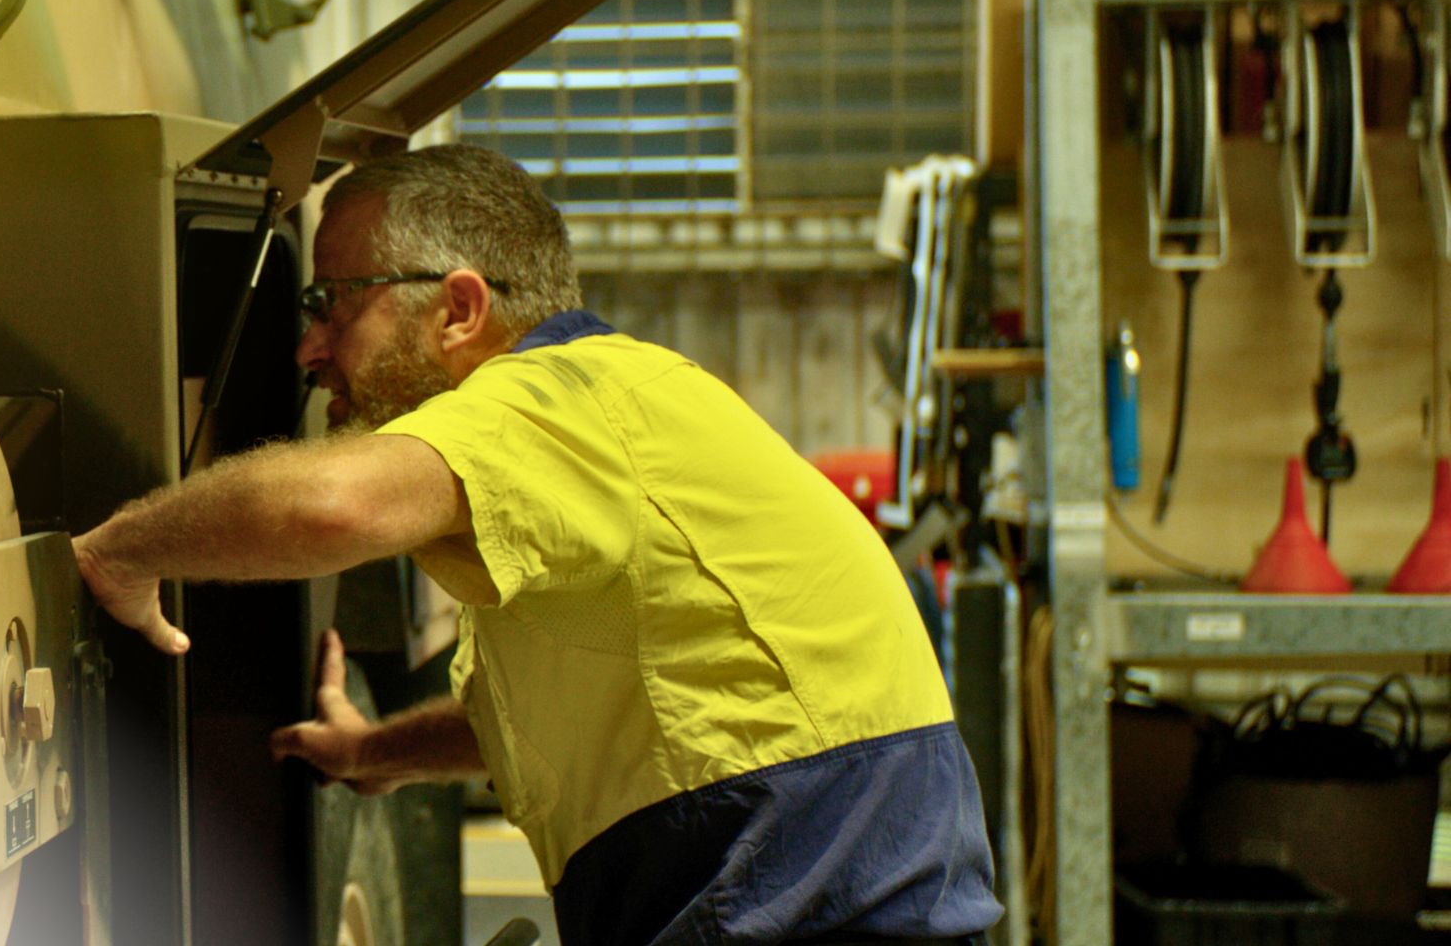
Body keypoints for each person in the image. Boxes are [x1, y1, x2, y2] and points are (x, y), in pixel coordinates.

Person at [68, 145, 1001, 946]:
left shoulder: (557, 397)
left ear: (460, 309)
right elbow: (567, 718)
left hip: (804, 897)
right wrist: (377, 753)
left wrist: (121, 550)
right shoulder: (607, 422)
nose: (309, 349)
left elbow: (331, 505)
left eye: (331, 303)